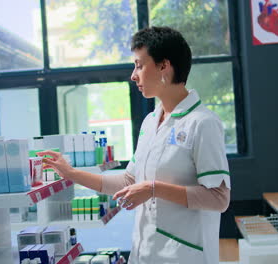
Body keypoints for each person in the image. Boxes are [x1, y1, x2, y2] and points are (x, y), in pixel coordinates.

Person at [38, 26, 230, 264]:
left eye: (139, 65)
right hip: (145, 253)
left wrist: (153, 189)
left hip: (184, 256)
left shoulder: (203, 123)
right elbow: (130, 182)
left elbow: (219, 198)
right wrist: (71, 173)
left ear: (163, 66)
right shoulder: (150, 122)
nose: (133, 75)